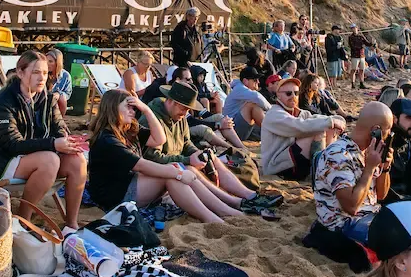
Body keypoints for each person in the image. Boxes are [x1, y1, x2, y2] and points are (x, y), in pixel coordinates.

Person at [87, 89, 248, 223]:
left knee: (178, 170)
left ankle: (230, 205)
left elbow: (159, 139)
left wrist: (147, 109)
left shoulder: (127, 130)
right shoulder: (107, 139)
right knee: (173, 175)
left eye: (133, 107)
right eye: (128, 107)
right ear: (113, 108)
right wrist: (179, 173)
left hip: (130, 184)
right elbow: (142, 165)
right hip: (114, 195)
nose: (133, 111)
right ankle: (213, 218)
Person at [140, 81, 280, 218]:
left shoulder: (178, 115)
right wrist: (188, 159)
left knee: (210, 157)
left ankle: (249, 196)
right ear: (170, 101)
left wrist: (197, 154)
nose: (185, 113)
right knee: (189, 169)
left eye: (188, 109)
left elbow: (186, 143)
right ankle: (233, 204)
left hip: (175, 165)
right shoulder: (151, 120)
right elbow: (152, 158)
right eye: (183, 108)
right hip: (160, 172)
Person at [0, 51, 85, 231]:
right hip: (3, 160)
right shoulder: (4, 100)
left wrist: (65, 141)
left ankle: (71, 224)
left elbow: (58, 127)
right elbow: (11, 145)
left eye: (44, 72)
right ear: (20, 73)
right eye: (35, 72)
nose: (42, 77)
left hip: (37, 157)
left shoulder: (48, 98)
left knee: (77, 160)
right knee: (50, 160)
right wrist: (52, 144)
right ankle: (23, 220)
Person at [313, 102, 393, 243]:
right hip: (344, 224)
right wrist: (369, 168)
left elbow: (381, 195)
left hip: (371, 215)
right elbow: (352, 207)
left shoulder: (369, 151)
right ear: (376, 130)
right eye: (388, 130)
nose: (389, 136)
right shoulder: (338, 154)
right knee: (399, 238)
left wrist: (385, 167)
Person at [261, 76, 345, 180]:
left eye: (296, 93)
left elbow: (314, 118)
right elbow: (300, 126)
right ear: (278, 95)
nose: (293, 96)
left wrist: (336, 119)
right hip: (276, 168)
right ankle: (320, 171)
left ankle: (329, 166)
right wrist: (331, 121)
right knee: (318, 130)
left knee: (328, 127)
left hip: (292, 162)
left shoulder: (297, 112)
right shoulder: (274, 114)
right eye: (288, 93)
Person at [223, 66, 269, 141]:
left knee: (256, 107)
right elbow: (257, 97)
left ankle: (273, 132)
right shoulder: (239, 88)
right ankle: (273, 131)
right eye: (255, 80)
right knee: (252, 105)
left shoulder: (241, 89)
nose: (258, 82)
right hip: (232, 131)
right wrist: (272, 110)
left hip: (237, 127)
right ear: (245, 81)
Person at [347, 24, 373, 90]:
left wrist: (372, 43)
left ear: (357, 28)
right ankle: (353, 83)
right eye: (352, 28)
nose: (354, 29)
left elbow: (367, 43)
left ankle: (361, 83)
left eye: (354, 28)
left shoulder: (361, 36)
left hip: (362, 55)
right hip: (355, 55)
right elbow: (352, 46)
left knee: (362, 70)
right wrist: (361, 47)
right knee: (354, 70)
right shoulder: (351, 37)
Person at [45, 48, 71, 114]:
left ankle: (60, 121)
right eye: (46, 61)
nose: (47, 64)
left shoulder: (65, 75)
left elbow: (68, 93)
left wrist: (59, 94)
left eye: (50, 61)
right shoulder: (43, 73)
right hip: (43, 98)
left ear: (57, 63)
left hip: (57, 101)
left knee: (62, 98)